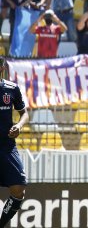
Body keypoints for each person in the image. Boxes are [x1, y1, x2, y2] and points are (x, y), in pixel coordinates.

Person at [0, 58, 28, 228]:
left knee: (19, 190)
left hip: (7, 145)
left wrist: (18, 125)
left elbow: (24, 113)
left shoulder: (11, 88)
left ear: (2, 67)